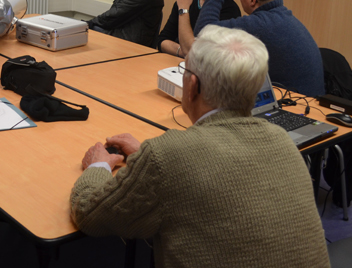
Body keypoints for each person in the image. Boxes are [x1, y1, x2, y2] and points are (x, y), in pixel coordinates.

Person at [70, 25, 328, 268]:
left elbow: (89, 213)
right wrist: (147, 158)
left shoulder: (169, 155)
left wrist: (99, 165)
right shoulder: (282, 140)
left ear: (192, 86)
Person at [196, 0, 324, 95]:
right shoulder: (284, 16)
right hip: (307, 103)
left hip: (297, 109)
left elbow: (204, 31)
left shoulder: (261, 24)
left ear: (252, 0)